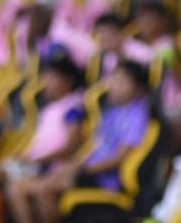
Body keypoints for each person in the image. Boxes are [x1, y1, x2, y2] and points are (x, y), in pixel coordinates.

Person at [0, 52, 85, 223]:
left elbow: (71, 145)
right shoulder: (49, 109)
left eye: (53, 78)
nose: (47, 83)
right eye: (46, 77)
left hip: (43, 165)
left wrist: (38, 159)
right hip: (33, 162)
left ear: (68, 81)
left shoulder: (73, 108)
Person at [25, 60, 152, 223]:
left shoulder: (138, 115)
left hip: (105, 180)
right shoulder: (112, 112)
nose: (112, 85)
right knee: (27, 189)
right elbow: (95, 145)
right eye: (113, 79)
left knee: (43, 190)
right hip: (89, 171)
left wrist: (84, 169)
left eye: (121, 81)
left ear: (138, 88)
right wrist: (76, 165)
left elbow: (122, 156)